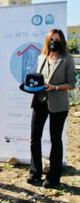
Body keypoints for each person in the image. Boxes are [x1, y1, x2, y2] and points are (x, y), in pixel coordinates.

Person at [27, 29, 77, 189]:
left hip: (58, 104)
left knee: (56, 140)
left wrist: (54, 87)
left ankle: (53, 178)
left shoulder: (68, 59)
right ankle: (35, 173)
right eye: (51, 39)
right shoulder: (41, 57)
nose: (54, 42)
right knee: (34, 138)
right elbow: (39, 79)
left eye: (57, 39)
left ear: (62, 41)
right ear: (47, 41)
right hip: (40, 101)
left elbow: (72, 83)